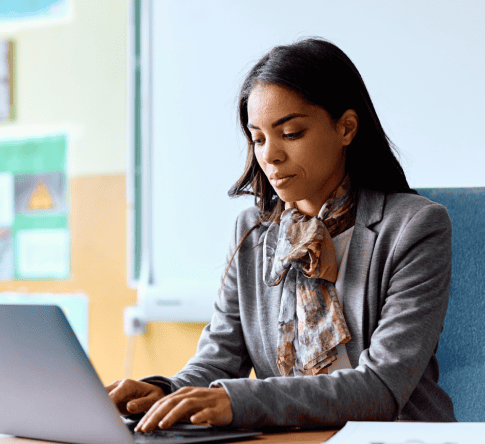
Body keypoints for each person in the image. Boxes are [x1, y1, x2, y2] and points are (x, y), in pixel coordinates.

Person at [106, 37, 456, 431]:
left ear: (346, 128)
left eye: (290, 133)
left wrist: (240, 400)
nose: (270, 155)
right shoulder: (253, 231)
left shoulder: (415, 227)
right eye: (258, 138)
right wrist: (165, 391)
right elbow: (219, 360)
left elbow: (381, 388)